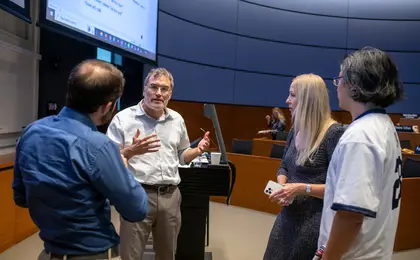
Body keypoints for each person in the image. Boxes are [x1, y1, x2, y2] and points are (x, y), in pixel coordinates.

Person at [12, 59, 156, 260]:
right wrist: (123, 169)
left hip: (48, 253)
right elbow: (137, 210)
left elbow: (20, 198)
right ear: (107, 106)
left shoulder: (31, 133)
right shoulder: (99, 146)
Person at [106, 68, 210, 260]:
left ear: (170, 93)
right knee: (131, 255)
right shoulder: (123, 119)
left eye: (164, 89)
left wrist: (198, 150)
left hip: (170, 196)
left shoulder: (177, 120)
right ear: (144, 89)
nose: (158, 93)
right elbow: (108, 160)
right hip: (137, 194)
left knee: (167, 254)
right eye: (153, 87)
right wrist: (129, 152)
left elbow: (181, 155)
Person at [318, 47, 404, 260]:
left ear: (354, 84)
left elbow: (350, 216)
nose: (337, 87)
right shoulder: (384, 125)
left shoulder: (360, 137)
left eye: (339, 79)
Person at [263, 74, 345, 260]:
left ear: (308, 99)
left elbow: (339, 188)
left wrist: (301, 188)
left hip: (313, 224)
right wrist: (282, 186)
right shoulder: (295, 129)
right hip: (287, 217)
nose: (287, 100)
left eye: (292, 95)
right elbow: (284, 166)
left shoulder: (334, 134)